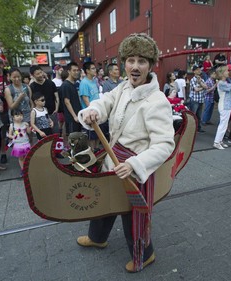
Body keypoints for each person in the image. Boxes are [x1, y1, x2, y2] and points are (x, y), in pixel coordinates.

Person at [76, 33, 175, 273]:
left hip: (133, 170)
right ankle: (98, 238)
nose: (135, 66)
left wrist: (134, 164)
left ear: (151, 65)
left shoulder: (157, 100)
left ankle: (146, 254)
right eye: (130, 60)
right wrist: (93, 111)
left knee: (132, 216)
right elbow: (105, 102)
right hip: (112, 162)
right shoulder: (122, 88)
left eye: (142, 61)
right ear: (124, 63)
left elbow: (165, 144)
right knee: (104, 202)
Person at [29, 65, 59, 134]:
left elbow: (56, 97)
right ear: (33, 75)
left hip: (52, 112)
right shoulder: (32, 86)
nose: (40, 75)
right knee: (44, 136)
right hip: (40, 115)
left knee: (55, 133)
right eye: (37, 74)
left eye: (41, 72)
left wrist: (56, 109)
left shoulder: (50, 83)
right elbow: (31, 100)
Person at [79, 61, 101, 150]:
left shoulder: (94, 81)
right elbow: (85, 99)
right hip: (89, 113)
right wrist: (91, 110)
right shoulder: (84, 83)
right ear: (87, 71)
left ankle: (96, 150)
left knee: (98, 134)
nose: (95, 70)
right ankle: (92, 152)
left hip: (97, 111)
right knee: (91, 136)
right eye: (92, 68)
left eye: (94, 68)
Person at [61, 62, 82, 138]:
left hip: (78, 115)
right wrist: (74, 116)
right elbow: (67, 102)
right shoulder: (66, 85)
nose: (76, 72)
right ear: (69, 71)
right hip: (71, 118)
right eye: (74, 70)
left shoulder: (74, 83)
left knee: (79, 138)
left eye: (77, 70)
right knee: (73, 139)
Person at [8, 109, 31, 176]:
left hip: (26, 142)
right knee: (21, 157)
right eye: (17, 115)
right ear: (13, 117)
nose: (20, 117)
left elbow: (29, 132)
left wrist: (28, 127)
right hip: (18, 144)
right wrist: (13, 137)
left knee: (27, 156)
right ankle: (23, 169)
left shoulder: (25, 124)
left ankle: (28, 168)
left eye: (21, 115)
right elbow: (9, 135)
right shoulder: (12, 126)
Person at [189, 65, 208, 133]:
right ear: (194, 71)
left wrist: (200, 82)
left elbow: (206, 86)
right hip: (194, 99)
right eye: (197, 70)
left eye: (199, 69)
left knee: (199, 116)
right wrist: (202, 87)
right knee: (193, 115)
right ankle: (191, 128)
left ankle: (198, 128)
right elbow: (196, 89)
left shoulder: (202, 79)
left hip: (201, 99)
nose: (199, 71)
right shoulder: (192, 80)